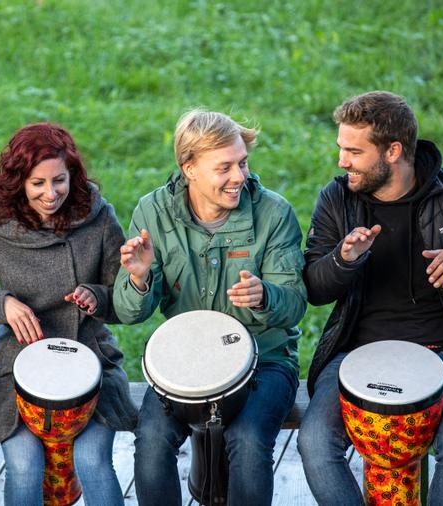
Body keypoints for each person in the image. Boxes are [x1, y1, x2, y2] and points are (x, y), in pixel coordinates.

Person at [297, 90, 443, 505]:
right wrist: (343, 260)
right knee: (315, 442)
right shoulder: (337, 198)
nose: (342, 162)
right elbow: (314, 289)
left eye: (354, 151)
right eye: (341, 148)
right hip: (355, 351)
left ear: (393, 151)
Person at [114, 109, 307, 506]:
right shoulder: (152, 213)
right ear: (190, 169)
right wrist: (139, 278)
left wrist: (265, 296)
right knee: (151, 438)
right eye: (224, 168)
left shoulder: (273, 213)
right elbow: (130, 312)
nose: (239, 176)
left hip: (265, 361)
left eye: (242, 163)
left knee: (248, 439)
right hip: (185, 364)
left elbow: (294, 306)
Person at [0, 123, 137, 506]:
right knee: (24, 464)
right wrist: (1, 304)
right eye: (38, 183)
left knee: (91, 459)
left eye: (59, 180)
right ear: (18, 181)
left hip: (90, 363)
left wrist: (97, 296)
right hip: (15, 370)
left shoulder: (99, 218)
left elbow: (124, 303)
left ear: (73, 175)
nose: (50, 194)